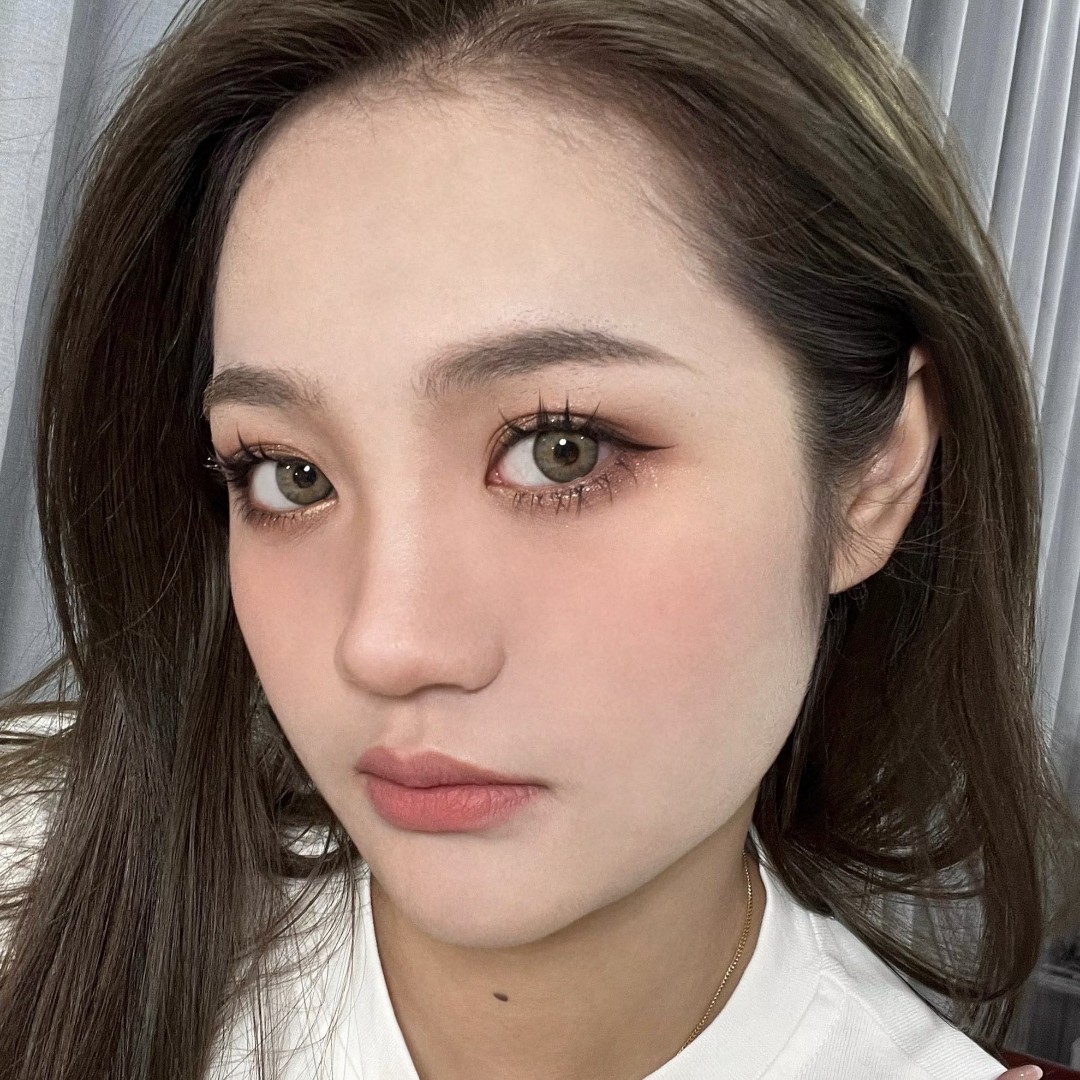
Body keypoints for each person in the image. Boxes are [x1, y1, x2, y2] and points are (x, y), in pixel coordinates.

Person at [0, 0, 1077, 1076]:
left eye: (562, 451)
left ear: (876, 475)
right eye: (292, 474)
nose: (386, 645)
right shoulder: (31, 881)